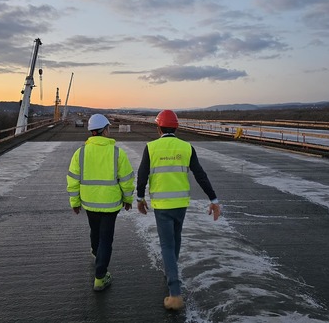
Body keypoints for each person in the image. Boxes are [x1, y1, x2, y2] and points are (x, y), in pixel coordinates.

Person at [136, 109, 221, 310]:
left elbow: (142, 176)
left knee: (166, 245)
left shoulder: (151, 148)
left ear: (158, 128)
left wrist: (140, 198)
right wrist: (214, 199)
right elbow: (201, 175)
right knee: (176, 238)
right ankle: (171, 269)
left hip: (162, 206)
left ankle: (174, 292)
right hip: (181, 204)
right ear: (176, 127)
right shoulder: (186, 147)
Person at [67, 114, 135, 292]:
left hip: (89, 203)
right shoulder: (117, 153)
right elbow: (126, 180)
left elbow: (73, 179)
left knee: (95, 230)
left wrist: (75, 202)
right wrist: (128, 199)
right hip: (111, 204)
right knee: (106, 238)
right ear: (104, 130)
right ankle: (100, 276)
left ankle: (96, 253)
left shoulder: (80, 152)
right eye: (108, 128)